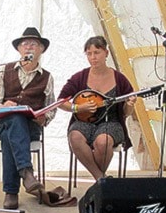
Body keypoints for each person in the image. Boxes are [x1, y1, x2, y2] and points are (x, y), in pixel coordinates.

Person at [0, 27, 56, 210]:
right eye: (25, 44)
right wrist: (3, 106)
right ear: (19, 49)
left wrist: (44, 117)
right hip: (3, 125)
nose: (29, 47)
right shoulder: (5, 70)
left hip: (31, 128)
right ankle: (27, 173)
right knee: (14, 120)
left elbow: (51, 107)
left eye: (34, 44)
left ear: (41, 50)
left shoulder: (47, 77)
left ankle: (11, 192)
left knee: (14, 130)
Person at [58, 36, 136, 181]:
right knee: (75, 137)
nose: (93, 57)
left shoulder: (119, 79)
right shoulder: (80, 77)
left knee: (103, 142)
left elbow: (126, 113)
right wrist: (77, 108)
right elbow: (61, 102)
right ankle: (101, 179)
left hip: (111, 122)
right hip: (83, 121)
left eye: (97, 52)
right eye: (89, 53)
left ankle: (99, 181)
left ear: (106, 53)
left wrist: (130, 105)